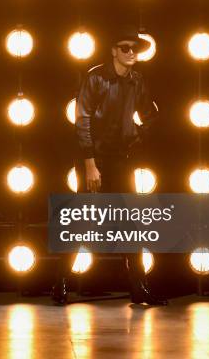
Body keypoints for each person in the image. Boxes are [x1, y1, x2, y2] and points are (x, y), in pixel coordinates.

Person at [74, 25, 167, 305]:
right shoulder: (97, 78)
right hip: (94, 159)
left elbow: (151, 112)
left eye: (134, 49)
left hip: (120, 160)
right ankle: (61, 281)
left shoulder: (137, 80)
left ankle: (139, 286)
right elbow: (83, 119)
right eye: (124, 48)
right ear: (114, 50)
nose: (130, 53)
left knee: (129, 223)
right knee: (81, 221)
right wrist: (90, 164)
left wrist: (137, 133)